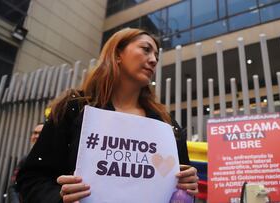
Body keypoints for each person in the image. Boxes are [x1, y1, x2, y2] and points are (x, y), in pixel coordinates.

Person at [17, 28, 199, 203]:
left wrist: (187, 186)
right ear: (117, 53)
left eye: (156, 57)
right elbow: (32, 179)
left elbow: (182, 191)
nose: (153, 60)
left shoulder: (167, 125)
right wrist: (59, 198)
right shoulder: (74, 108)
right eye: (146, 49)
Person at [7, 123, 44, 203]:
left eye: (40, 133)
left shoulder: (55, 159)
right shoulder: (24, 160)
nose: (37, 136)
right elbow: (13, 187)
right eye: (35, 133)